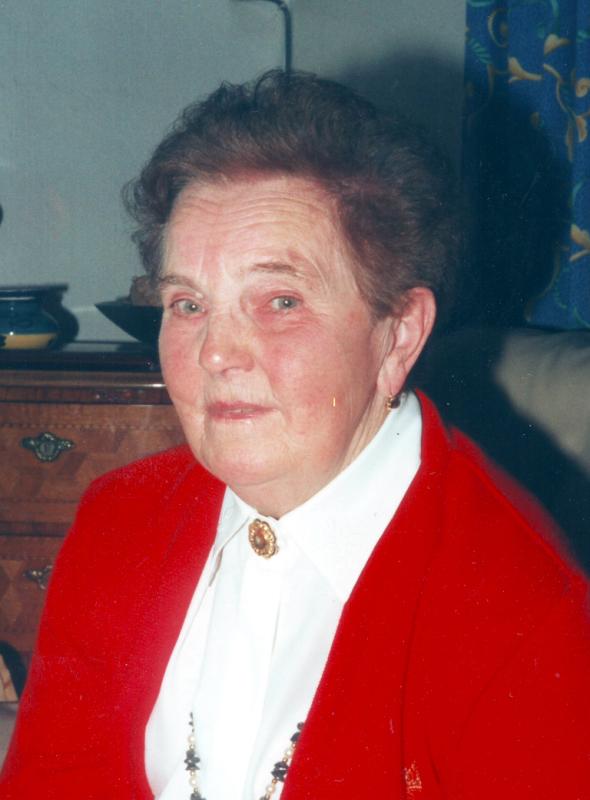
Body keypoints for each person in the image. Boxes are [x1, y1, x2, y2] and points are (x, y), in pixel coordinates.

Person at [1, 70, 589, 800]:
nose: (216, 353)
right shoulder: (117, 523)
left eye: (280, 301)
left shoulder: (523, 610)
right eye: (187, 304)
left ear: (399, 334)